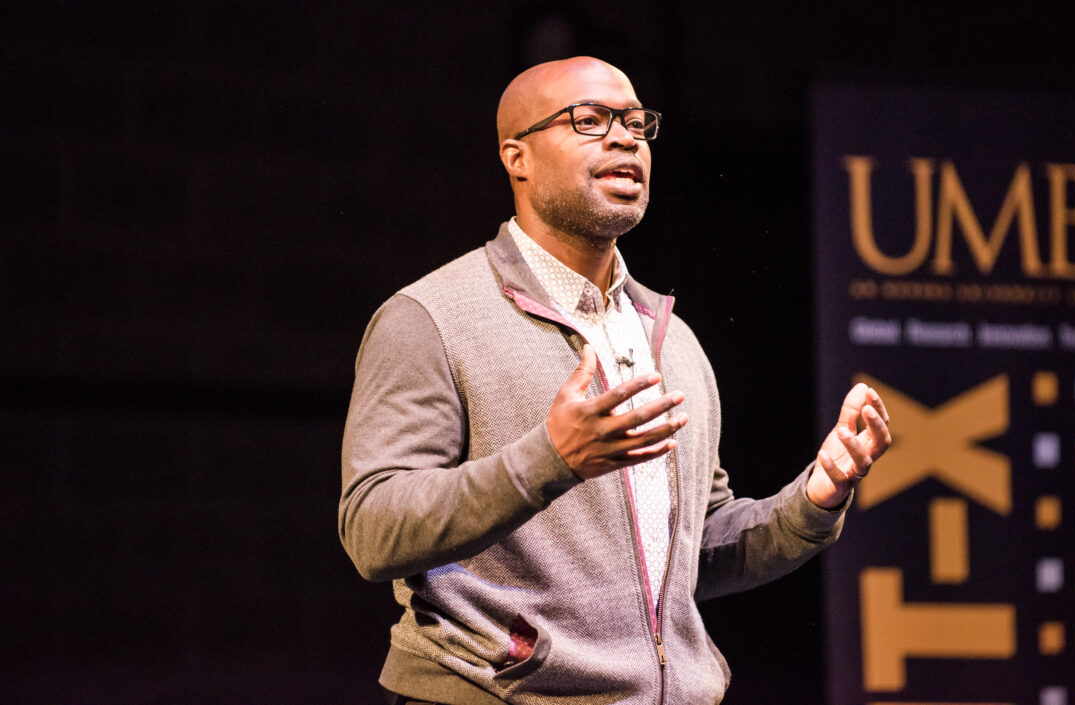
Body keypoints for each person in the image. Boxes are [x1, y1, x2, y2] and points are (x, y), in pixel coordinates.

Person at [338, 56, 891, 705]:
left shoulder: (670, 341)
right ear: (518, 157)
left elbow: (696, 551)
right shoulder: (431, 319)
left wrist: (814, 499)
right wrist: (551, 456)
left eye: (636, 122)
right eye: (590, 119)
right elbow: (373, 531)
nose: (626, 137)